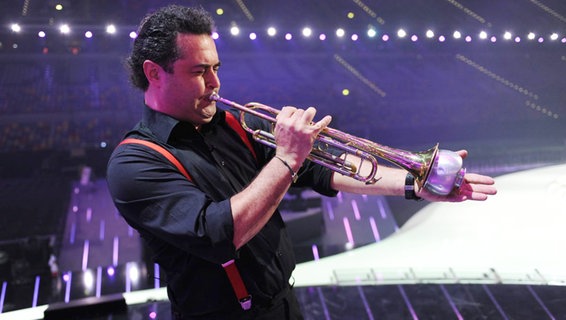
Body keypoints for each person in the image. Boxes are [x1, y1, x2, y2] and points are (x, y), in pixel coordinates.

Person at [106, 4, 497, 320]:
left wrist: (415, 183)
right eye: (199, 71)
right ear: (154, 74)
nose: (215, 84)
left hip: (285, 305)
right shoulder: (135, 162)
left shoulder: (233, 123)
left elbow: (325, 168)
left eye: (216, 68)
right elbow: (220, 235)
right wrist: (289, 156)